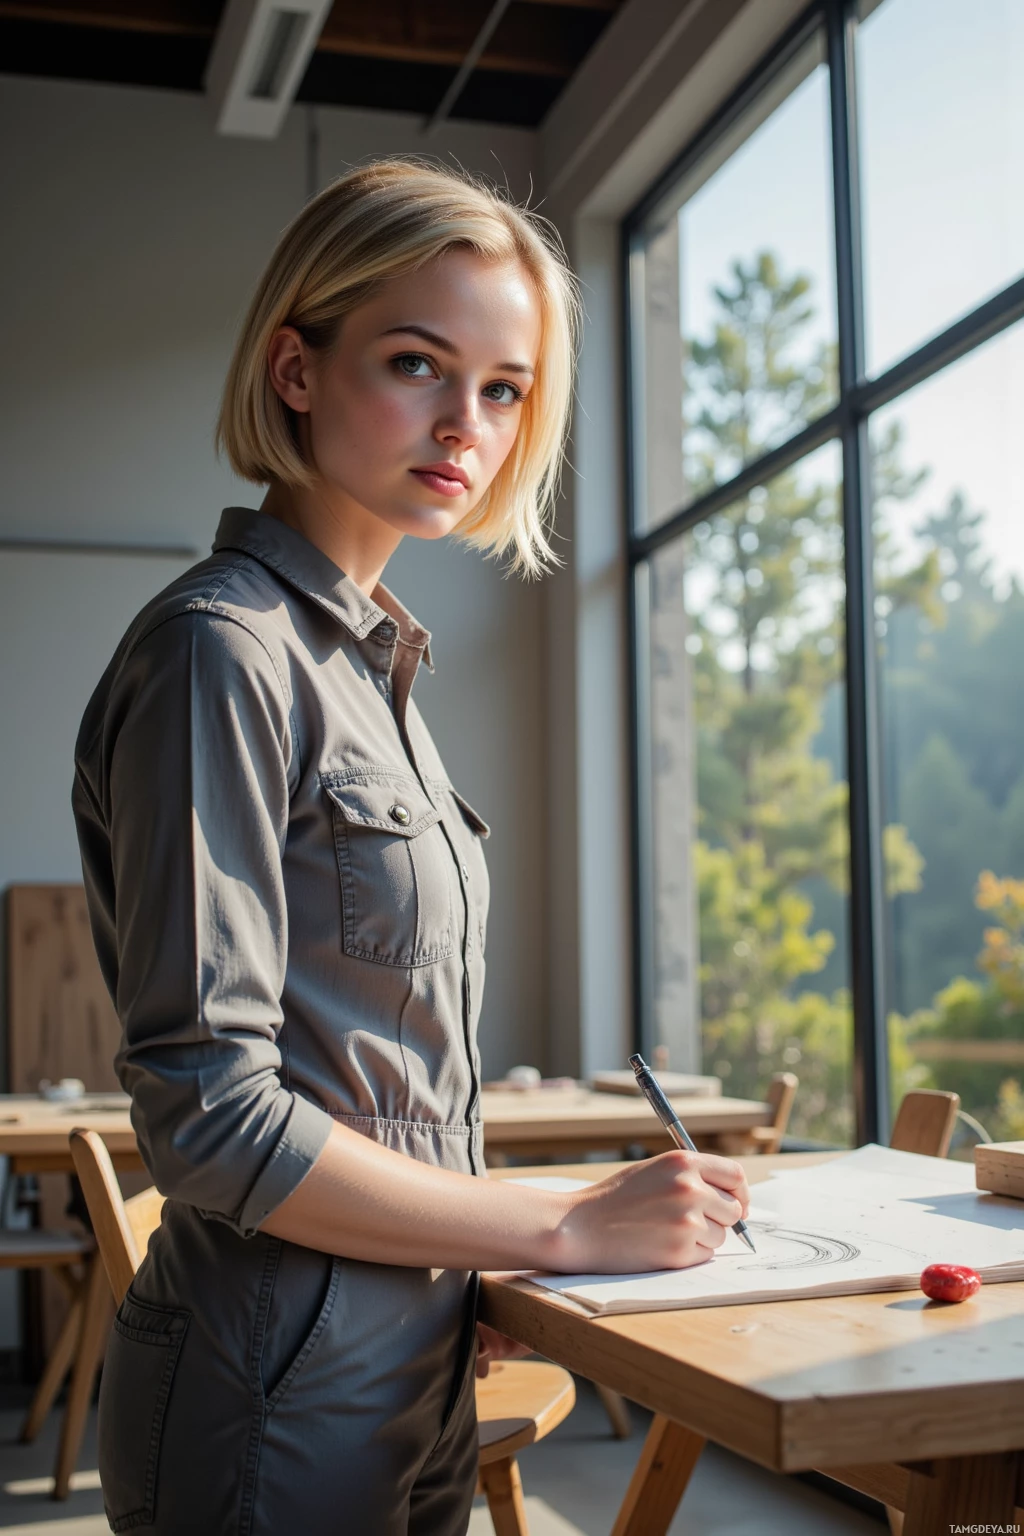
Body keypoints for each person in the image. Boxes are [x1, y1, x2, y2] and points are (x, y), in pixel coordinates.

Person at [72, 159, 750, 1536]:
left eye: (503, 389)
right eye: (416, 363)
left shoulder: (378, 674)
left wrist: (468, 1260)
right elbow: (210, 1117)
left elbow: (381, 1076)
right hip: (275, 1388)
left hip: (417, 1354)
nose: (465, 423)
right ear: (296, 369)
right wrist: (558, 1224)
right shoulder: (223, 653)